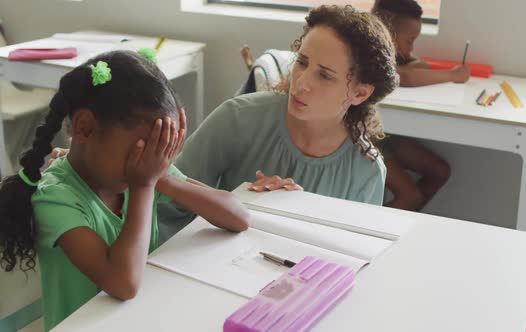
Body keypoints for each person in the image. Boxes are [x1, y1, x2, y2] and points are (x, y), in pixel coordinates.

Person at [48, 5, 399, 240]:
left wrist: (297, 212)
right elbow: (165, 204)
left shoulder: (366, 172)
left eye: (324, 75)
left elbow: (352, 260)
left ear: (359, 93)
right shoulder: (239, 118)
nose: (302, 81)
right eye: (302, 61)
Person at [0, 50, 250, 331]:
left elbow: (238, 216)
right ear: (84, 128)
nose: (149, 162)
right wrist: (145, 183)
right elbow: (123, 283)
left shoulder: (143, 172)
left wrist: (159, 176)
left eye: (158, 152)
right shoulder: (55, 198)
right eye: (142, 152)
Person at [371, 0, 454, 211]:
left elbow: (417, 65)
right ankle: (375, 235)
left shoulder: (391, 53)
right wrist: (453, 75)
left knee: (440, 171)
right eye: (409, 41)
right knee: (410, 197)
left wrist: (407, 54)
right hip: (360, 136)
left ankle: (401, 222)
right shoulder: (367, 50)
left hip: (383, 131)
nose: (412, 48)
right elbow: (406, 77)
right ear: (387, 31)